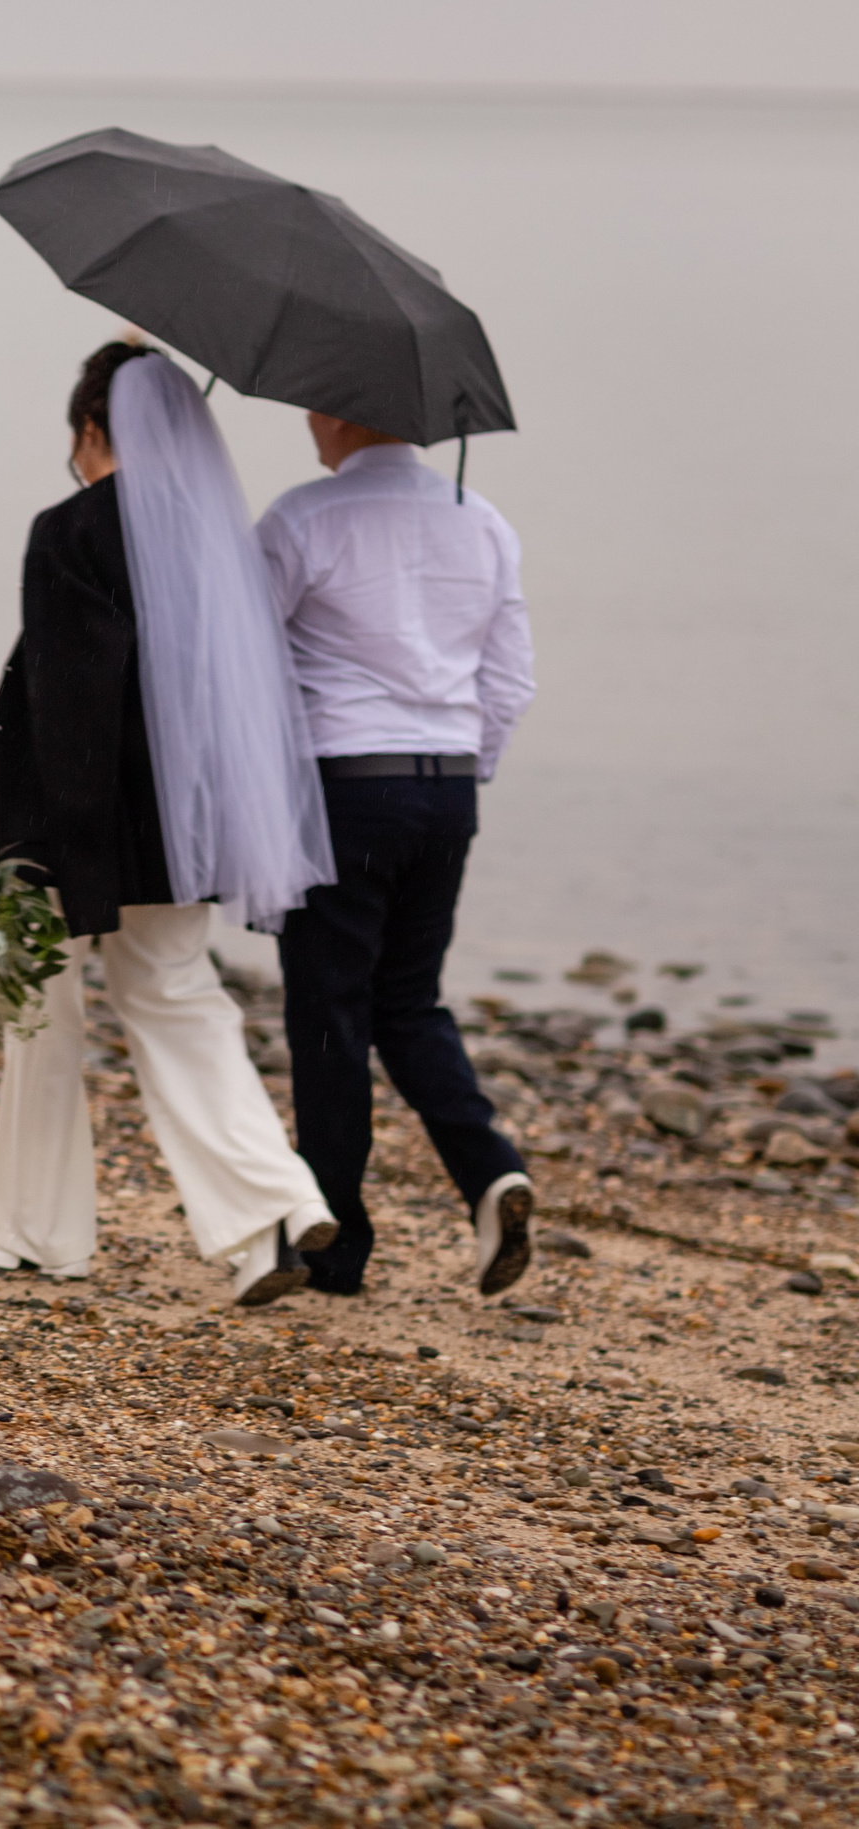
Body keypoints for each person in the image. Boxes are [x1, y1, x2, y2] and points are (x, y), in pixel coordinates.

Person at [0, 343, 338, 1306]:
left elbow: (69, 700)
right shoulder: (216, 539)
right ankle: (278, 1216)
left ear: (94, 429)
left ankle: (36, 1235)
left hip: (79, 827)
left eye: (76, 439)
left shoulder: (70, 530)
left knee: (40, 1018)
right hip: (190, 829)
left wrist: (50, 852)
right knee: (183, 1006)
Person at [257, 412, 538, 1298]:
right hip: (448, 785)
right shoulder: (482, 520)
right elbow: (511, 679)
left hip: (345, 786)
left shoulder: (300, 519)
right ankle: (489, 1169)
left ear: (337, 410)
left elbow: (243, 660)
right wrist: (462, 767)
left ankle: (335, 1245)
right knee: (410, 1002)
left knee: (331, 1010)